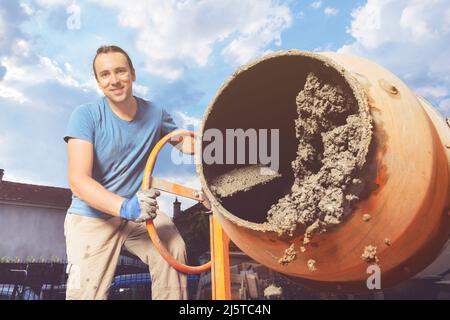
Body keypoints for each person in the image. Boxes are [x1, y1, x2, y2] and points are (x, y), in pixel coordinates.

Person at [63, 45, 194, 300]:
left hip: (138, 212)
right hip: (92, 217)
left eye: (120, 71)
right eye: (105, 74)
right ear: (98, 82)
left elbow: (186, 143)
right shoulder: (85, 116)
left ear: (133, 73)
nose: (114, 80)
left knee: (173, 247)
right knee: (86, 294)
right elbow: (78, 181)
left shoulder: (155, 114)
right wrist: (125, 208)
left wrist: (223, 143)